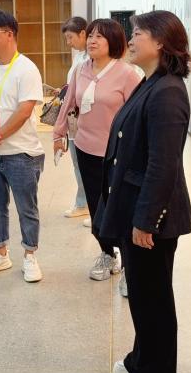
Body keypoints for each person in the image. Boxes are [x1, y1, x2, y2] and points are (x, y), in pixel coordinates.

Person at [95, 11, 191, 373]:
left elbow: (163, 165)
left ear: (161, 42)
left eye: (138, 34)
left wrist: (146, 220)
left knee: (153, 300)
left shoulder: (168, 92)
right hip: (136, 207)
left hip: (152, 217)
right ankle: (141, 359)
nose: (131, 40)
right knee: (142, 293)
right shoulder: (151, 82)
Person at [53, 18, 141, 281]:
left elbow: (137, 115)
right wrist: (58, 133)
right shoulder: (81, 69)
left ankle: (129, 264)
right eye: (90, 35)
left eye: (99, 36)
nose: (92, 40)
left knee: (119, 207)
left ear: (113, 41)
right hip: (85, 148)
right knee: (96, 205)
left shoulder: (127, 74)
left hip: (117, 154)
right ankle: (107, 253)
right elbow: (68, 102)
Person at [0, 10, 46, 283]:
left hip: (22, 154)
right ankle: (0, 253)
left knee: (27, 209)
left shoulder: (26, 69)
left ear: (9, 34)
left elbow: (25, 110)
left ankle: (30, 256)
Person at [60, 16, 90, 222]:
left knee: (88, 164)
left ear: (83, 33)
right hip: (73, 117)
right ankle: (83, 203)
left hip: (85, 118)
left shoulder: (92, 59)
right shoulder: (80, 56)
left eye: (71, 37)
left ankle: (92, 205)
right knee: (78, 163)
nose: (68, 42)